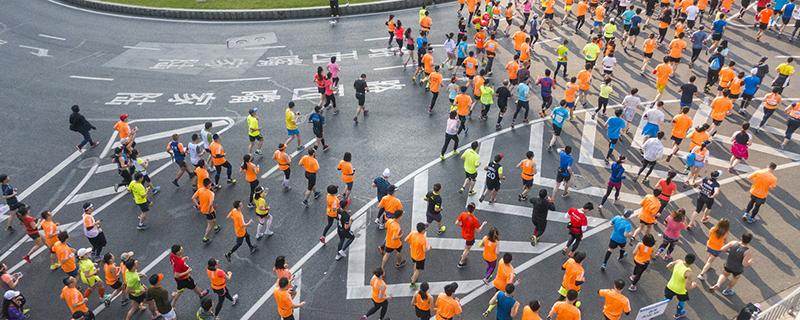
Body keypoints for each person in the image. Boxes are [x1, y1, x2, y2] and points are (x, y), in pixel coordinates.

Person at [664, 254, 698, 318]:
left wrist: (674, 272)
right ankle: (678, 314)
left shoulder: (678, 261)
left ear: (685, 258)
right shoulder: (688, 272)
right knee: (681, 302)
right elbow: (687, 287)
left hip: (670, 286)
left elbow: (668, 266)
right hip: (681, 291)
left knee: (666, 300)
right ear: (692, 262)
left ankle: (656, 310)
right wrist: (694, 285)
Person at [456, 203, 486, 268]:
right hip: (470, 236)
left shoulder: (463, 214)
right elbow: (478, 230)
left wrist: (462, 226)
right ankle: (461, 262)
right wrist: (483, 224)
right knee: (467, 249)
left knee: (466, 246)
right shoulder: (475, 219)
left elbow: (457, 223)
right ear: (474, 210)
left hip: (464, 234)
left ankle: (463, 255)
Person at [192, 178, 220, 243]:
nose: (211, 185)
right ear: (208, 185)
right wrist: (209, 211)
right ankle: (205, 237)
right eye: (210, 184)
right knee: (210, 224)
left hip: (203, 209)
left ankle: (216, 226)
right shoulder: (211, 193)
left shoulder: (200, 190)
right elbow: (210, 204)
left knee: (214, 216)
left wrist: (198, 205)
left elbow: (193, 198)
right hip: (208, 211)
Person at [405, 222, 430, 287]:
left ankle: (413, 276)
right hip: (420, 257)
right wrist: (429, 247)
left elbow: (406, 240)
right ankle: (413, 283)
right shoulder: (423, 239)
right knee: (418, 270)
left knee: (415, 264)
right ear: (422, 231)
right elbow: (425, 250)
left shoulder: (413, 233)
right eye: (425, 229)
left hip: (413, 254)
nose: (425, 230)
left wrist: (411, 243)